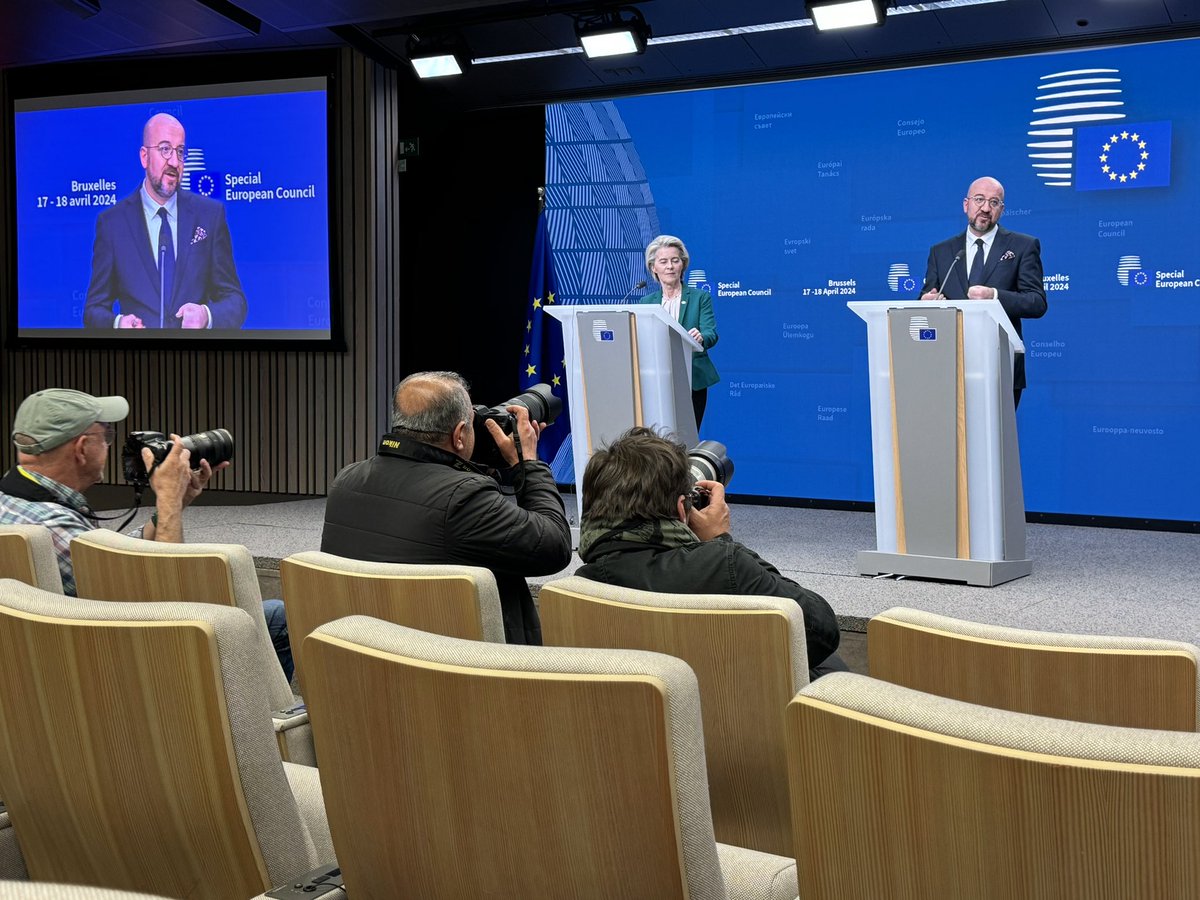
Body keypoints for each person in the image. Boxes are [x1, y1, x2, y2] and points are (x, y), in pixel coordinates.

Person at [0, 388, 292, 679]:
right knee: (278, 618)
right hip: (127, 669)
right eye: (106, 437)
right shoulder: (56, 526)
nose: (109, 445)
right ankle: (259, 722)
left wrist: (176, 503)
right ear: (81, 448)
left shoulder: (17, 507)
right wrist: (167, 503)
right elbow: (166, 604)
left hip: (46, 669)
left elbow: (110, 560)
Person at [321, 371, 573, 644]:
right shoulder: (465, 498)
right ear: (459, 435)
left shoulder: (346, 480)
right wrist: (528, 463)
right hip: (452, 667)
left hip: (364, 651)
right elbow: (554, 545)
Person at [575, 426, 846, 679]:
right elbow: (821, 630)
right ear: (683, 509)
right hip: (737, 722)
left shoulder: (580, 586)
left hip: (640, 724)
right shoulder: (725, 567)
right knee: (832, 669)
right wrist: (719, 539)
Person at [83, 113, 247, 330]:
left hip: (196, 360)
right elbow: (93, 310)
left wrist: (206, 316)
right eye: (165, 149)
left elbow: (235, 301)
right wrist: (117, 324)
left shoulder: (209, 215)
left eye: (180, 152)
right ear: (144, 157)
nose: (174, 162)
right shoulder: (113, 223)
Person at [919, 176, 1047, 406]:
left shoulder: (1023, 246)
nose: (986, 208)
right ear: (966, 204)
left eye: (994, 202)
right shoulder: (941, 252)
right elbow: (927, 295)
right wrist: (926, 301)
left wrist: (994, 296)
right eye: (979, 200)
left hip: (1000, 365)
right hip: (947, 366)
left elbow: (1036, 302)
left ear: (1002, 209)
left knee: (996, 441)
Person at [640, 235, 719, 429]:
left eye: (675, 261)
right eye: (663, 261)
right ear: (653, 268)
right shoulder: (646, 303)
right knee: (658, 438)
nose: (670, 266)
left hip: (693, 378)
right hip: (656, 380)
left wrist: (702, 337)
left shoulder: (700, 298)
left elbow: (711, 333)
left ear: (683, 265)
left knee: (687, 435)